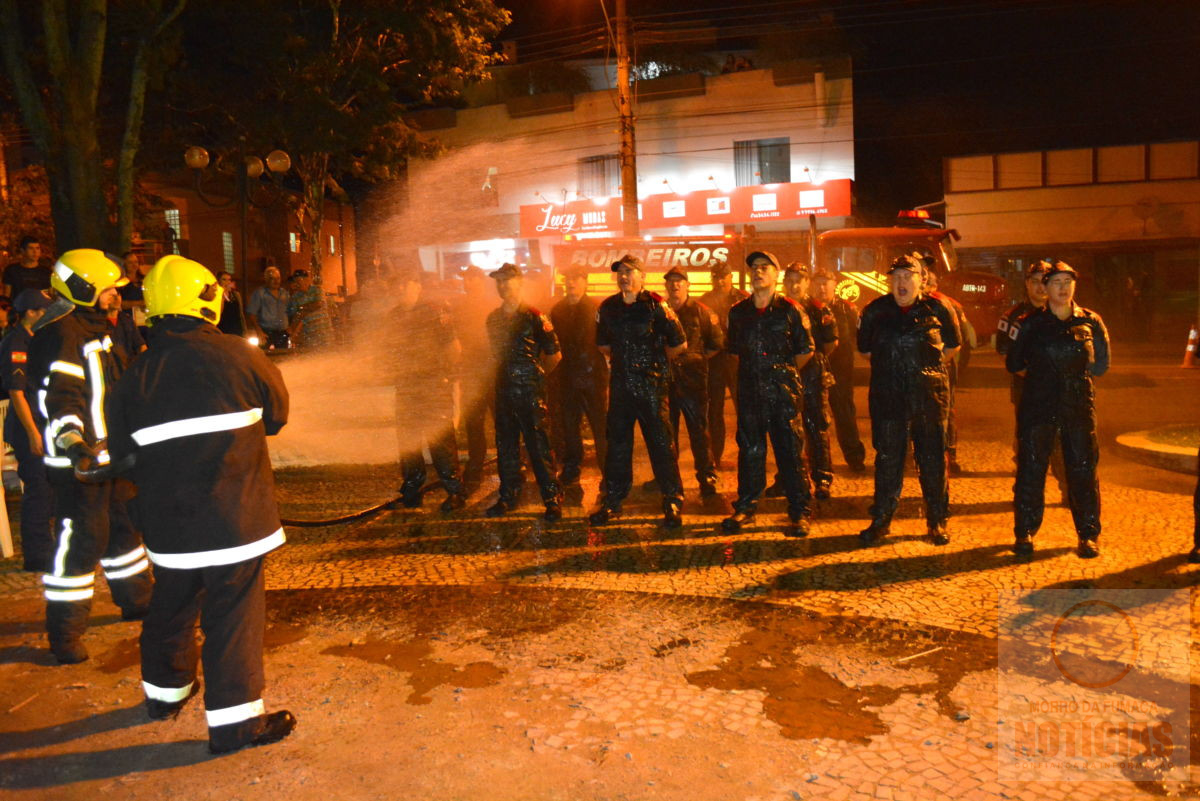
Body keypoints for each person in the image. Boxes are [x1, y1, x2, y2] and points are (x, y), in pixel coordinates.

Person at [106, 255, 295, 755]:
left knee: (171, 603)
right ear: (205, 301)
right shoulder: (239, 355)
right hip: (236, 520)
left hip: (169, 529)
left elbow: (123, 456)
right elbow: (276, 415)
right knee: (231, 615)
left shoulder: (132, 377)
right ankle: (235, 726)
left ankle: (165, 696)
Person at [27, 249, 153, 664]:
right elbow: (61, 397)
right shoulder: (62, 334)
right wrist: (75, 445)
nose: (115, 294)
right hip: (79, 463)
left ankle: (136, 600)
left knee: (123, 530)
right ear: (83, 289)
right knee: (81, 542)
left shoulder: (99, 327)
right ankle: (64, 634)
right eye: (107, 289)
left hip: (110, 454)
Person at [1006, 261, 1110, 558]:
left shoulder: (1091, 321)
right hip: (1038, 406)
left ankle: (1088, 535)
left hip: (1077, 407)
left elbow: (1101, 365)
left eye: (1068, 282)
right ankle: (1024, 532)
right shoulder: (1031, 323)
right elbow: (1014, 363)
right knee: (1031, 469)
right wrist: (1044, 378)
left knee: (1083, 470)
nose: (1063, 288)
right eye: (1056, 283)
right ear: (1045, 288)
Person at [856, 254, 960, 547]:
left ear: (921, 280)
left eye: (908, 276)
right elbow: (865, 351)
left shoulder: (939, 308)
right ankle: (882, 519)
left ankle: (937, 520)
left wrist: (922, 370)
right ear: (889, 281)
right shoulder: (875, 311)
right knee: (888, 460)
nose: (901, 283)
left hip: (929, 397)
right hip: (888, 398)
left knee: (933, 460)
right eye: (896, 277)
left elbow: (952, 346)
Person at [721, 251, 815, 538]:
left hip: (783, 393)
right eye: (754, 268)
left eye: (765, 268)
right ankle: (746, 507)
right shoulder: (738, 312)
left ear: (776, 276)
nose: (758, 272)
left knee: (790, 453)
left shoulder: (791, 310)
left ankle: (799, 511)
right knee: (750, 451)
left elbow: (805, 351)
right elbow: (734, 351)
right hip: (750, 393)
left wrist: (780, 375)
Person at [589, 254, 687, 528]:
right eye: (620, 271)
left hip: (652, 387)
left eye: (630, 271)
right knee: (617, 446)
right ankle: (613, 501)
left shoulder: (656, 305)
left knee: (661, 444)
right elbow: (603, 345)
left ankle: (672, 499)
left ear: (643, 276)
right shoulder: (607, 307)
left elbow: (679, 343)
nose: (624, 276)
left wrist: (653, 365)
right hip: (621, 387)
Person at [485, 263, 563, 520]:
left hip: (530, 393)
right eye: (499, 281)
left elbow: (554, 355)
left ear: (519, 283)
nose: (503, 285)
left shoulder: (534, 316)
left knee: (538, 445)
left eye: (507, 280)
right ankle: (508, 496)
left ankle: (551, 498)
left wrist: (534, 378)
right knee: (506, 446)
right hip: (504, 391)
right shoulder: (493, 319)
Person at [388, 269, 468, 513]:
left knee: (440, 442)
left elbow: (454, 347)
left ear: (417, 286)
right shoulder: (393, 316)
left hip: (433, 385)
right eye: (399, 285)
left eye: (407, 284)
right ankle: (412, 489)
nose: (402, 289)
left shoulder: (435, 311)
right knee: (409, 442)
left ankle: (455, 491)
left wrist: (446, 376)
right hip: (407, 387)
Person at [996, 260, 1070, 501]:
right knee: (1028, 443)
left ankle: (1070, 492)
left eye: (1044, 282)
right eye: (1035, 282)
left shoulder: (1065, 314)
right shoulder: (1013, 317)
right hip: (1026, 393)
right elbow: (1007, 354)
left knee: (1062, 442)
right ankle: (1026, 495)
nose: (1040, 287)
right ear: (1027, 284)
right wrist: (1039, 378)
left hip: (1062, 393)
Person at [0, 289, 54, 572]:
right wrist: (33, 433)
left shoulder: (37, 339)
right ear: (31, 313)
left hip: (42, 423)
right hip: (28, 426)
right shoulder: (17, 342)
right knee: (38, 489)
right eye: (44, 310)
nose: (48, 315)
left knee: (49, 487)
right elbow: (17, 392)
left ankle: (48, 547)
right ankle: (37, 555)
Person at [776, 262, 836, 498]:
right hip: (784, 377)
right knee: (785, 430)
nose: (794, 284)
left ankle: (822, 478)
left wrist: (810, 362)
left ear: (806, 283)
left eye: (798, 280)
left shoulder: (819, 310)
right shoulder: (777, 308)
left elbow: (831, 344)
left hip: (812, 375)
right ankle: (786, 479)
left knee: (817, 426)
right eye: (789, 280)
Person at [662, 265, 722, 497]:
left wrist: (695, 359)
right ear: (666, 286)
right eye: (671, 281)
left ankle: (707, 477)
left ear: (688, 285)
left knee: (699, 432)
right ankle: (667, 479)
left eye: (679, 281)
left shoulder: (702, 311)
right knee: (667, 434)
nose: (675, 285)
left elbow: (716, 343)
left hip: (693, 382)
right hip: (666, 381)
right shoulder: (660, 311)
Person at [548, 265, 607, 497]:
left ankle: (608, 471)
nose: (570, 283)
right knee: (570, 426)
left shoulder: (596, 308)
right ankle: (572, 468)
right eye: (568, 278)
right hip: (568, 376)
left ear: (585, 282)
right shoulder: (558, 309)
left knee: (600, 427)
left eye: (575, 278)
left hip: (592, 376)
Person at [812, 269, 866, 472]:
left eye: (826, 283)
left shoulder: (847, 309)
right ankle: (818, 461)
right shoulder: (807, 309)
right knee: (815, 418)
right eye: (818, 283)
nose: (822, 287)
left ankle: (855, 457)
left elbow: (862, 337)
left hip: (841, 372)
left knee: (845, 415)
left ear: (835, 285)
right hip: (813, 373)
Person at [923, 265, 971, 475]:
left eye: (928, 283)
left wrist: (944, 361)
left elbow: (961, 339)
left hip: (944, 365)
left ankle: (949, 456)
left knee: (945, 411)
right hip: (928, 366)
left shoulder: (947, 305)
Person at [699, 262, 747, 469]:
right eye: (716, 277)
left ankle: (748, 456)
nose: (720, 281)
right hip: (715, 362)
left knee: (745, 411)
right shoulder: (704, 301)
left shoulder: (744, 299)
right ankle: (715, 458)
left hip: (739, 362)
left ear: (731, 277)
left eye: (723, 277)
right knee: (714, 411)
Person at [453, 265, 496, 492]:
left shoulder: (491, 304)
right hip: (472, 372)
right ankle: (475, 468)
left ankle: (511, 464)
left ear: (479, 280)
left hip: (490, 372)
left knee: (502, 423)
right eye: (465, 279)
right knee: (474, 424)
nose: (466, 283)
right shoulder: (460, 307)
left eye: (470, 279)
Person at [246, 266, 291, 350]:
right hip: (265, 333)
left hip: (283, 332)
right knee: (262, 357)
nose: (276, 281)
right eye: (272, 278)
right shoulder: (259, 293)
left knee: (284, 358)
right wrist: (259, 331)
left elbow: (290, 311)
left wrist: (290, 327)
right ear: (266, 279)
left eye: (278, 278)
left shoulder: (285, 294)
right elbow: (251, 313)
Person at [286, 269, 333, 349]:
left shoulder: (317, 290)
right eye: (295, 281)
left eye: (299, 280)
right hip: (310, 334)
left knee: (328, 356)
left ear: (307, 279)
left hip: (324, 331)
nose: (297, 283)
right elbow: (296, 315)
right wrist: (293, 332)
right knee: (313, 357)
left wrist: (302, 308)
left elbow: (318, 304)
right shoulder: (295, 297)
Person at [2, 235, 50, 300]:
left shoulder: (46, 272)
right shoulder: (12, 270)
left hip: (41, 309)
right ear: (23, 251)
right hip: (17, 308)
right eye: (31, 248)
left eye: (37, 248)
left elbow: (50, 297)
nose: (35, 252)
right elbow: (6, 296)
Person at [217, 272, 248, 337]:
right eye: (224, 279)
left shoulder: (235, 295)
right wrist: (222, 293)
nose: (227, 282)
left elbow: (240, 313)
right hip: (222, 330)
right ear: (218, 281)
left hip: (236, 330)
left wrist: (245, 330)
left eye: (229, 280)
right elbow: (219, 311)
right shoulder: (216, 295)